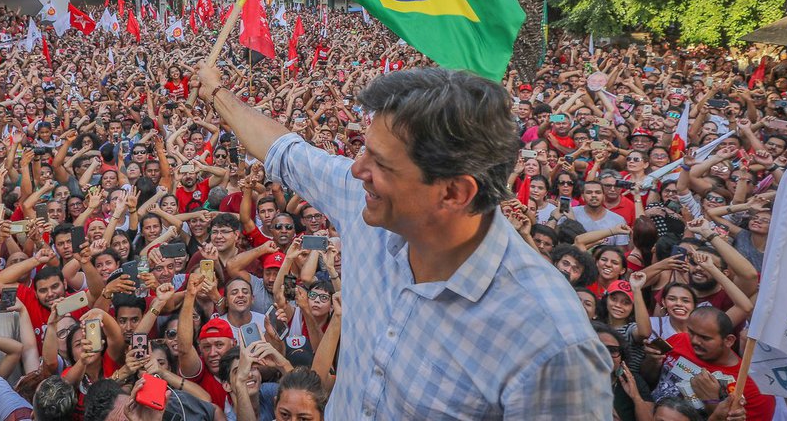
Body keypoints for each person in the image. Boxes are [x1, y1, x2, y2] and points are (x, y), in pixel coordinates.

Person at [193, 63, 612, 417]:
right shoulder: (366, 203)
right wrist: (215, 92)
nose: (356, 170)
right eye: (363, 151)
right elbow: (285, 151)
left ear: (454, 192)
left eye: (381, 164)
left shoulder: (551, 348)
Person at [645, 307, 774, 420]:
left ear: (729, 340)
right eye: (691, 332)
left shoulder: (754, 388)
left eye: (704, 338)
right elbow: (648, 381)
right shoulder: (678, 340)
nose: (694, 341)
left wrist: (712, 401)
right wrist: (652, 362)